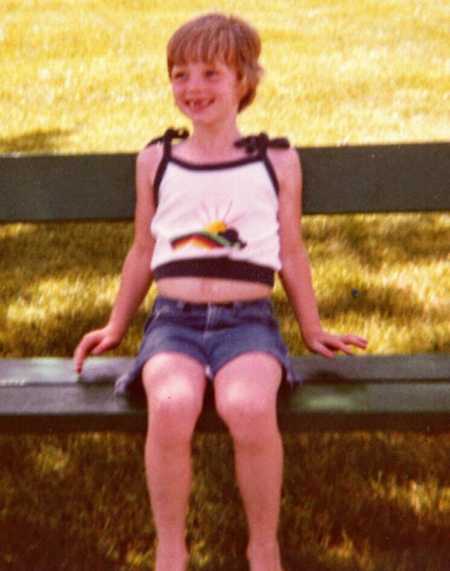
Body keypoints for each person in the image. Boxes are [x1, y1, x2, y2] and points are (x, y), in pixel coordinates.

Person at [74, 12, 367, 571]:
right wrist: (116, 325)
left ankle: (263, 544)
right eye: (180, 74)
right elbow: (142, 250)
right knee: (171, 403)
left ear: (244, 82)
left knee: (249, 405)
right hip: (173, 323)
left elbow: (292, 252)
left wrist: (311, 327)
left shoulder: (274, 160)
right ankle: (170, 547)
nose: (193, 88)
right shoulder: (156, 160)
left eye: (210, 73)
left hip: (248, 323)